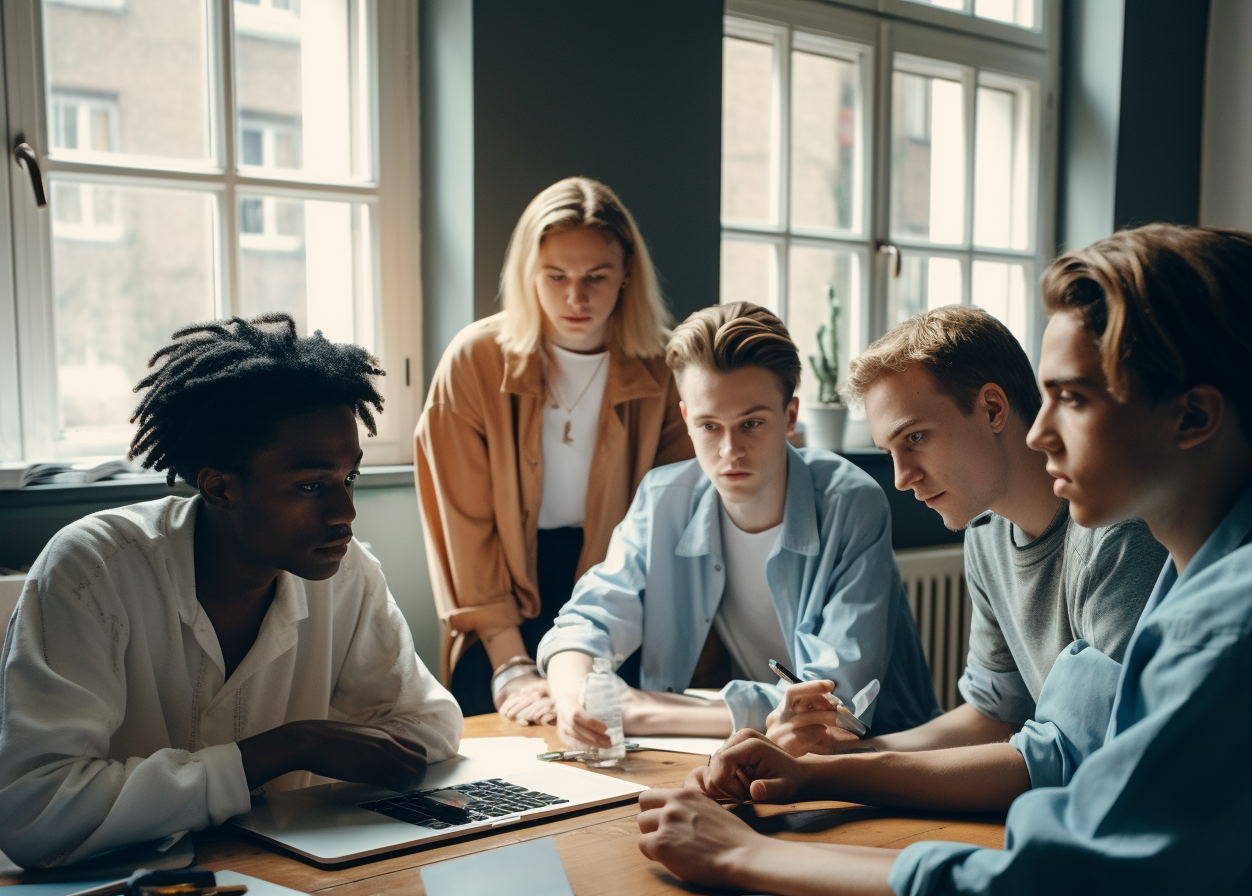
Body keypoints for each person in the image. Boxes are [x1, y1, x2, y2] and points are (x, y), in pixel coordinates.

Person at [635, 224, 1252, 894]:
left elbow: (1061, 874)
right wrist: (821, 769)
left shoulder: (1233, 624)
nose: (1038, 432)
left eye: (1070, 399)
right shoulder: (1218, 570)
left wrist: (747, 854)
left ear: (1194, 417)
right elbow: (1045, 745)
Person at [0, 315, 462, 870]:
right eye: (310, 485)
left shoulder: (347, 574)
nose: (345, 513)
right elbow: (34, 813)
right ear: (220, 486)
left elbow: (430, 726)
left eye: (349, 479)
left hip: (287, 868)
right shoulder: (92, 570)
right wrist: (288, 748)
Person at [765, 306, 1165, 756]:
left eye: (915, 438)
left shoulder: (1116, 531)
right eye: (889, 451)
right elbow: (995, 716)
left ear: (993, 408)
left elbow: (1095, 752)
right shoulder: (985, 535)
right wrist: (842, 755)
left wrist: (837, 774)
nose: (901, 478)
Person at [539, 302, 939, 748]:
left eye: (751, 423)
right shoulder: (662, 497)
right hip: (743, 747)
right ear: (687, 421)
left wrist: (643, 711)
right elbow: (588, 619)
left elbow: (835, 704)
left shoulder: (851, 502)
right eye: (710, 426)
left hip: (878, 757)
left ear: (789, 417)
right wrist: (574, 695)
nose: (731, 450)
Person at [415, 177, 692, 723]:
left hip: (618, 592)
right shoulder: (474, 360)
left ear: (627, 273)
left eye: (596, 277)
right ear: (528, 274)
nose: (576, 298)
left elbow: (673, 519)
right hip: (501, 603)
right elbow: (464, 530)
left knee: (613, 745)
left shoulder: (665, 367)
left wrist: (590, 658)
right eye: (556, 276)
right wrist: (512, 663)